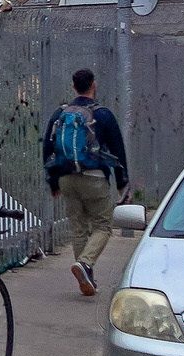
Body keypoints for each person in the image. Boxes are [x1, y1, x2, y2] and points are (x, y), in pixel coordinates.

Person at [42, 68, 129, 297]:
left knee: (78, 228)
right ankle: (86, 264)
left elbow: (47, 148)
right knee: (102, 226)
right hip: (94, 178)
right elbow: (117, 150)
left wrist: (53, 182)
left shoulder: (60, 114)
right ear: (94, 84)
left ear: (73, 86)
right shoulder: (103, 115)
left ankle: (87, 278)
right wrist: (122, 182)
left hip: (66, 178)